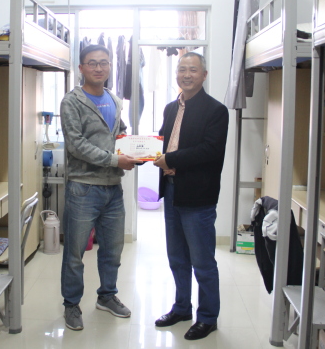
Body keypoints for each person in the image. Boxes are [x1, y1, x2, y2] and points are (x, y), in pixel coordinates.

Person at [59, 44, 140, 331]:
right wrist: (116, 160)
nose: (98, 68)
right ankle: (71, 304)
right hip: (83, 188)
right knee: (75, 254)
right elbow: (76, 145)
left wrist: (134, 148)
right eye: (92, 63)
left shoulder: (115, 99)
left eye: (103, 63)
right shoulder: (72, 102)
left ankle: (107, 296)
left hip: (113, 189)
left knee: (113, 251)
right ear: (81, 68)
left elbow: (120, 131)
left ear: (109, 67)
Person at [152, 51, 229, 341]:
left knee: (203, 262)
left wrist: (170, 159)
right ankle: (182, 308)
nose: (186, 74)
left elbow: (210, 151)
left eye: (193, 70)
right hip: (171, 190)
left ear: (204, 75)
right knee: (177, 258)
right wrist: (141, 151)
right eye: (182, 69)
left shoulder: (216, 110)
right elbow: (162, 141)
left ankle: (207, 317)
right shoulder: (171, 108)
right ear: (176, 74)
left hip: (198, 196)